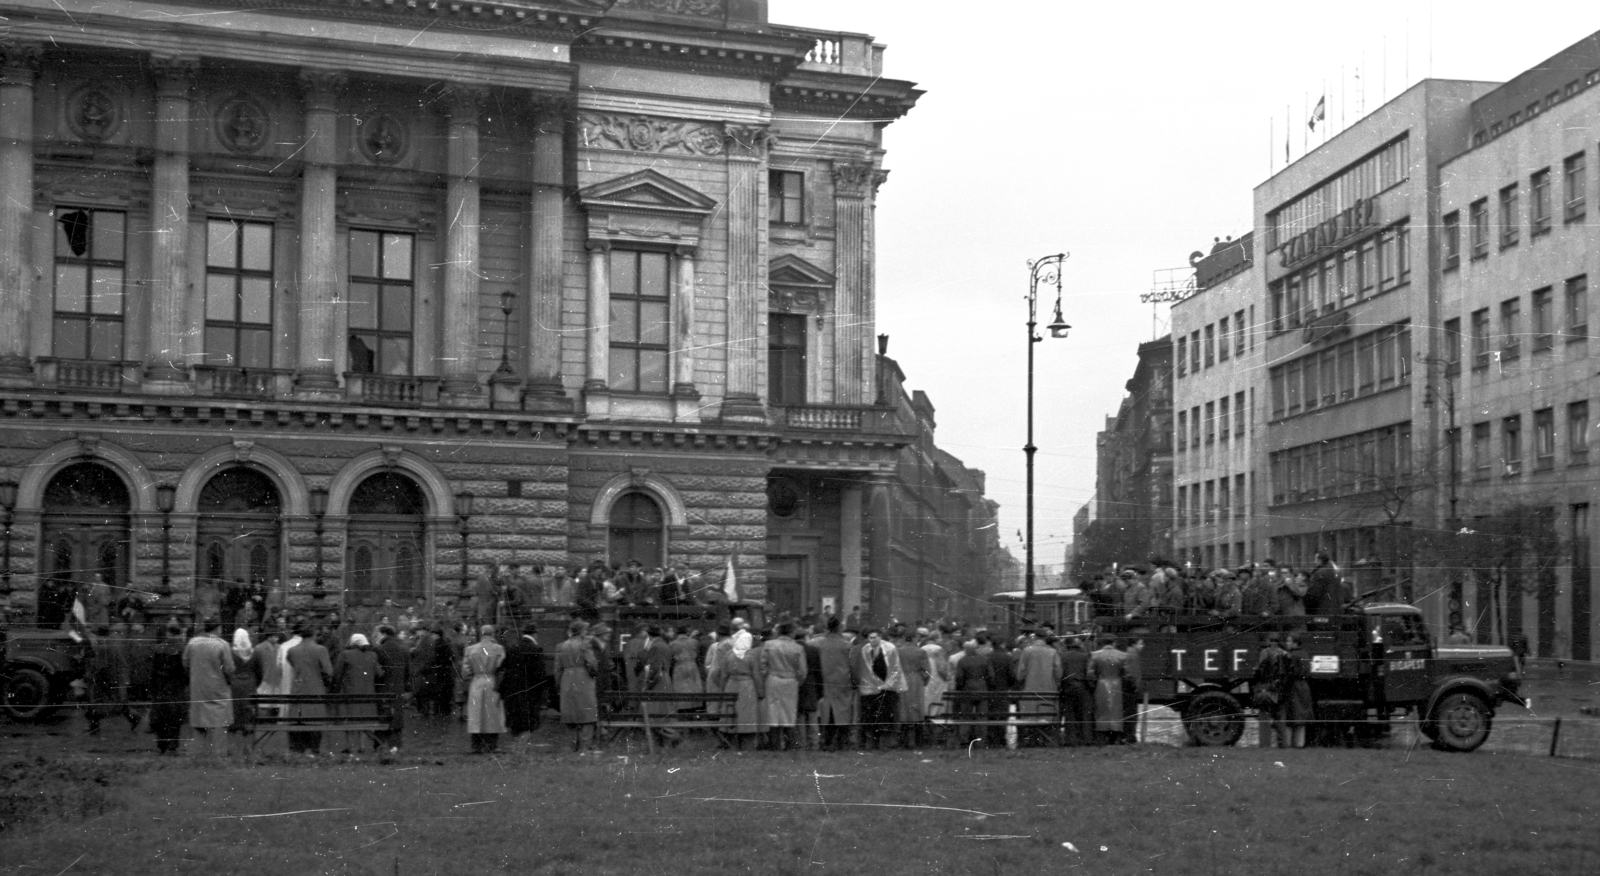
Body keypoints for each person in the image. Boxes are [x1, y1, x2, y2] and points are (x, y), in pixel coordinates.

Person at [182, 619, 235, 757]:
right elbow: (229, 668)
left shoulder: (193, 643)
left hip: (198, 687)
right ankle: (219, 754)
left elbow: (185, 662)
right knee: (220, 721)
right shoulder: (222, 645)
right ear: (218, 629)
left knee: (199, 720)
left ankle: (196, 753)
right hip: (218, 688)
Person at [286, 624, 333, 756]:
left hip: (298, 690)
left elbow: (291, 662)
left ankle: (298, 750)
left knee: (298, 720)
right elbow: (328, 671)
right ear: (313, 635)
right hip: (315, 689)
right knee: (315, 721)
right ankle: (314, 749)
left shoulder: (292, 650)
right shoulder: (320, 649)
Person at [853, 629, 904, 750]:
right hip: (870, 689)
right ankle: (871, 742)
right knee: (870, 716)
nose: (872, 640)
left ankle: (883, 743)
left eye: (875, 637)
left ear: (880, 637)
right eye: (870, 638)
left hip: (887, 689)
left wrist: (887, 684)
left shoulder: (890, 649)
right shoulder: (865, 650)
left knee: (885, 716)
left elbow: (895, 668)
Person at [761, 622, 807, 751]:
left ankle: (774, 744)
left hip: (773, 679)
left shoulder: (769, 645)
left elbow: (763, 665)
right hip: (790, 680)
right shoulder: (797, 648)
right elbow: (802, 671)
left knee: (773, 712)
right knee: (789, 713)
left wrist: (766, 678)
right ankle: (789, 743)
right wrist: (798, 681)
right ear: (791, 632)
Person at [333, 633, 382, 753]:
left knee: (350, 718)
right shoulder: (373, 655)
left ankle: (350, 746)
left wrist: (335, 690)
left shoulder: (345, 654)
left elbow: (337, 674)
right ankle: (362, 746)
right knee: (364, 719)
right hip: (368, 693)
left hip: (349, 692)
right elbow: (379, 673)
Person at [461, 625, 506, 754]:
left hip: (476, 681)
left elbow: (465, 671)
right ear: (493, 634)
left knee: (476, 714)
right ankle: (492, 744)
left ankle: (476, 745)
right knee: (493, 714)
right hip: (493, 682)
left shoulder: (470, 649)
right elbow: (502, 667)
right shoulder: (499, 649)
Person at [813, 616, 856, 751]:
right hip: (843, 681)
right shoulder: (846, 644)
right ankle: (842, 741)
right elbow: (852, 665)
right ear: (839, 627)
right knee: (843, 712)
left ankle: (826, 740)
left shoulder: (820, 644)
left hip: (825, 681)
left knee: (827, 713)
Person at [556, 620, 600, 753]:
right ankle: (584, 747)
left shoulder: (561, 646)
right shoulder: (584, 645)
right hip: (583, 680)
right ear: (581, 631)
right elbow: (592, 664)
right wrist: (593, 673)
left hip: (567, 680)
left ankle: (571, 746)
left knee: (570, 713)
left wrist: (559, 684)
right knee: (587, 713)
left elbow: (557, 669)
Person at [717, 629, 764, 751]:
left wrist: (722, 690)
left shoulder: (729, 654)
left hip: (731, 685)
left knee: (731, 712)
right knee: (747, 714)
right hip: (747, 686)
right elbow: (756, 675)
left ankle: (732, 742)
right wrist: (760, 691)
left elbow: (723, 675)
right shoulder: (751, 655)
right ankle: (747, 744)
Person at [1015, 631, 1062, 747]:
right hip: (1048, 688)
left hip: (1030, 688)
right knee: (1046, 715)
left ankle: (1031, 740)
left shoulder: (1027, 651)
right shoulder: (1052, 652)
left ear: (1034, 637)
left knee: (1030, 716)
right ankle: (1045, 739)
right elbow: (1058, 672)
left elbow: (1020, 673)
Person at [148, 620, 188, 755]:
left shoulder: (158, 648)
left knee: (160, 717)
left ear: (167, 633)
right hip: (176, 686)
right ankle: (172, 745)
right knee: (174, 718)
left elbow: (152, 670)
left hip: (160, 686)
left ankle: (162, 745)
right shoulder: (182, 648)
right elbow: (185, 670)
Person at [500, 627, 546, 742]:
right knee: (528, 721)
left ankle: (517, 744)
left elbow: (503, 667)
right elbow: (540, 674)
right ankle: (522, 747)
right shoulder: (536, 649)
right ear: (535, 634)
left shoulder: (511, 648)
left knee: (515, 720)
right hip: (529, 691)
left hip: (512, 690)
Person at [639, 625, 679, 748]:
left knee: (653, 712)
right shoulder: (665, 645)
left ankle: (672, 736)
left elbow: (654, 668)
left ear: (649, 635)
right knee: (661, 711)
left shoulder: (655, 646)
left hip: (658, 681)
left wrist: (648, 684)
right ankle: (663, 740)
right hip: (665, 678)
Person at [1252, 633, 1292, 748]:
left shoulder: (1264, 653)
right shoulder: (1286, 654)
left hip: (1266, 689)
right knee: (1280, 719)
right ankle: (1283, 744)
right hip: (1281, 690)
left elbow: (1260, 671)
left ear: (1270, 641)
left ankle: (1265, 745)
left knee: (1264, 717)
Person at [374, 625, 410, 751]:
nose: (375, 637)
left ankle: (381, 745)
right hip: (398, 689)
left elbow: (377, 673)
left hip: (382, 689)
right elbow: (408, 673)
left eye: (377, 634)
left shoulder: (379, 650)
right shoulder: (404, 649)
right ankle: (396, 746)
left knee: (383, 718)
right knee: (397, 719)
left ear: (383, 634)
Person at [1086, 636, 1127, 745]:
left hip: (1101, 683)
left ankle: (1101, 737)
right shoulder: (1122, 655)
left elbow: (1090, 673)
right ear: (1114, 643)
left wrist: (1092, 684)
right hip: (1117, 684)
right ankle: (1116, 737)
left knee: (1101, 710)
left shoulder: (1095, 655)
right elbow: (1126, 672)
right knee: (1116, 711)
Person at [227, 627, 261, 754]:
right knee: (249, 716)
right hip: (250, 685)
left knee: (235, 716)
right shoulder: (255, 653)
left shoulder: (231, 652)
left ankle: (233, 748)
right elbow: (259, 672)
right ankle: (248, 746)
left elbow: (228, 669)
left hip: (235, 687)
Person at [894, 628, 929, 749]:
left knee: (903, 708)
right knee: (916, 708)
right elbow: (927, 670)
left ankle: (902, 740)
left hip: (902, 679)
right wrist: (924, 681)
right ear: (914, 638)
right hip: (916, 680)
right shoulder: (921, 652)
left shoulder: (898, 651)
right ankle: (917, 740)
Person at [1057, 635, 1094, 746]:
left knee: (1070, 714)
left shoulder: (1062, 656)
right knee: (1084, 714)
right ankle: (1086, 739)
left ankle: (1071, 739)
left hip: (1067, 687)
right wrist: (1090, 686)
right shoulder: (1085, 656)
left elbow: (1060, 674)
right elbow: (1089, 673)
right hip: (1082, 687)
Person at [1284, 633, 1315, 749]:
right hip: (1304, 686)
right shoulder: (1305, 654)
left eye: (1289, 641)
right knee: (1301, 717)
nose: (1287, 643)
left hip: (1293, 686)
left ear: (1295, 643)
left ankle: (1287, 743)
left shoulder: (1290, 655)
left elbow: (1288, 673)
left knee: (1290, 716)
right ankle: (1300, 743)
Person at [1304, 551, 1343, 615]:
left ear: (1320, 560)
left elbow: (1315, 593)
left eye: (1315, 559)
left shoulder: (1320, 573)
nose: (1314, 562)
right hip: (1336, 609)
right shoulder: (1337, 573)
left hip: (1323, 609)